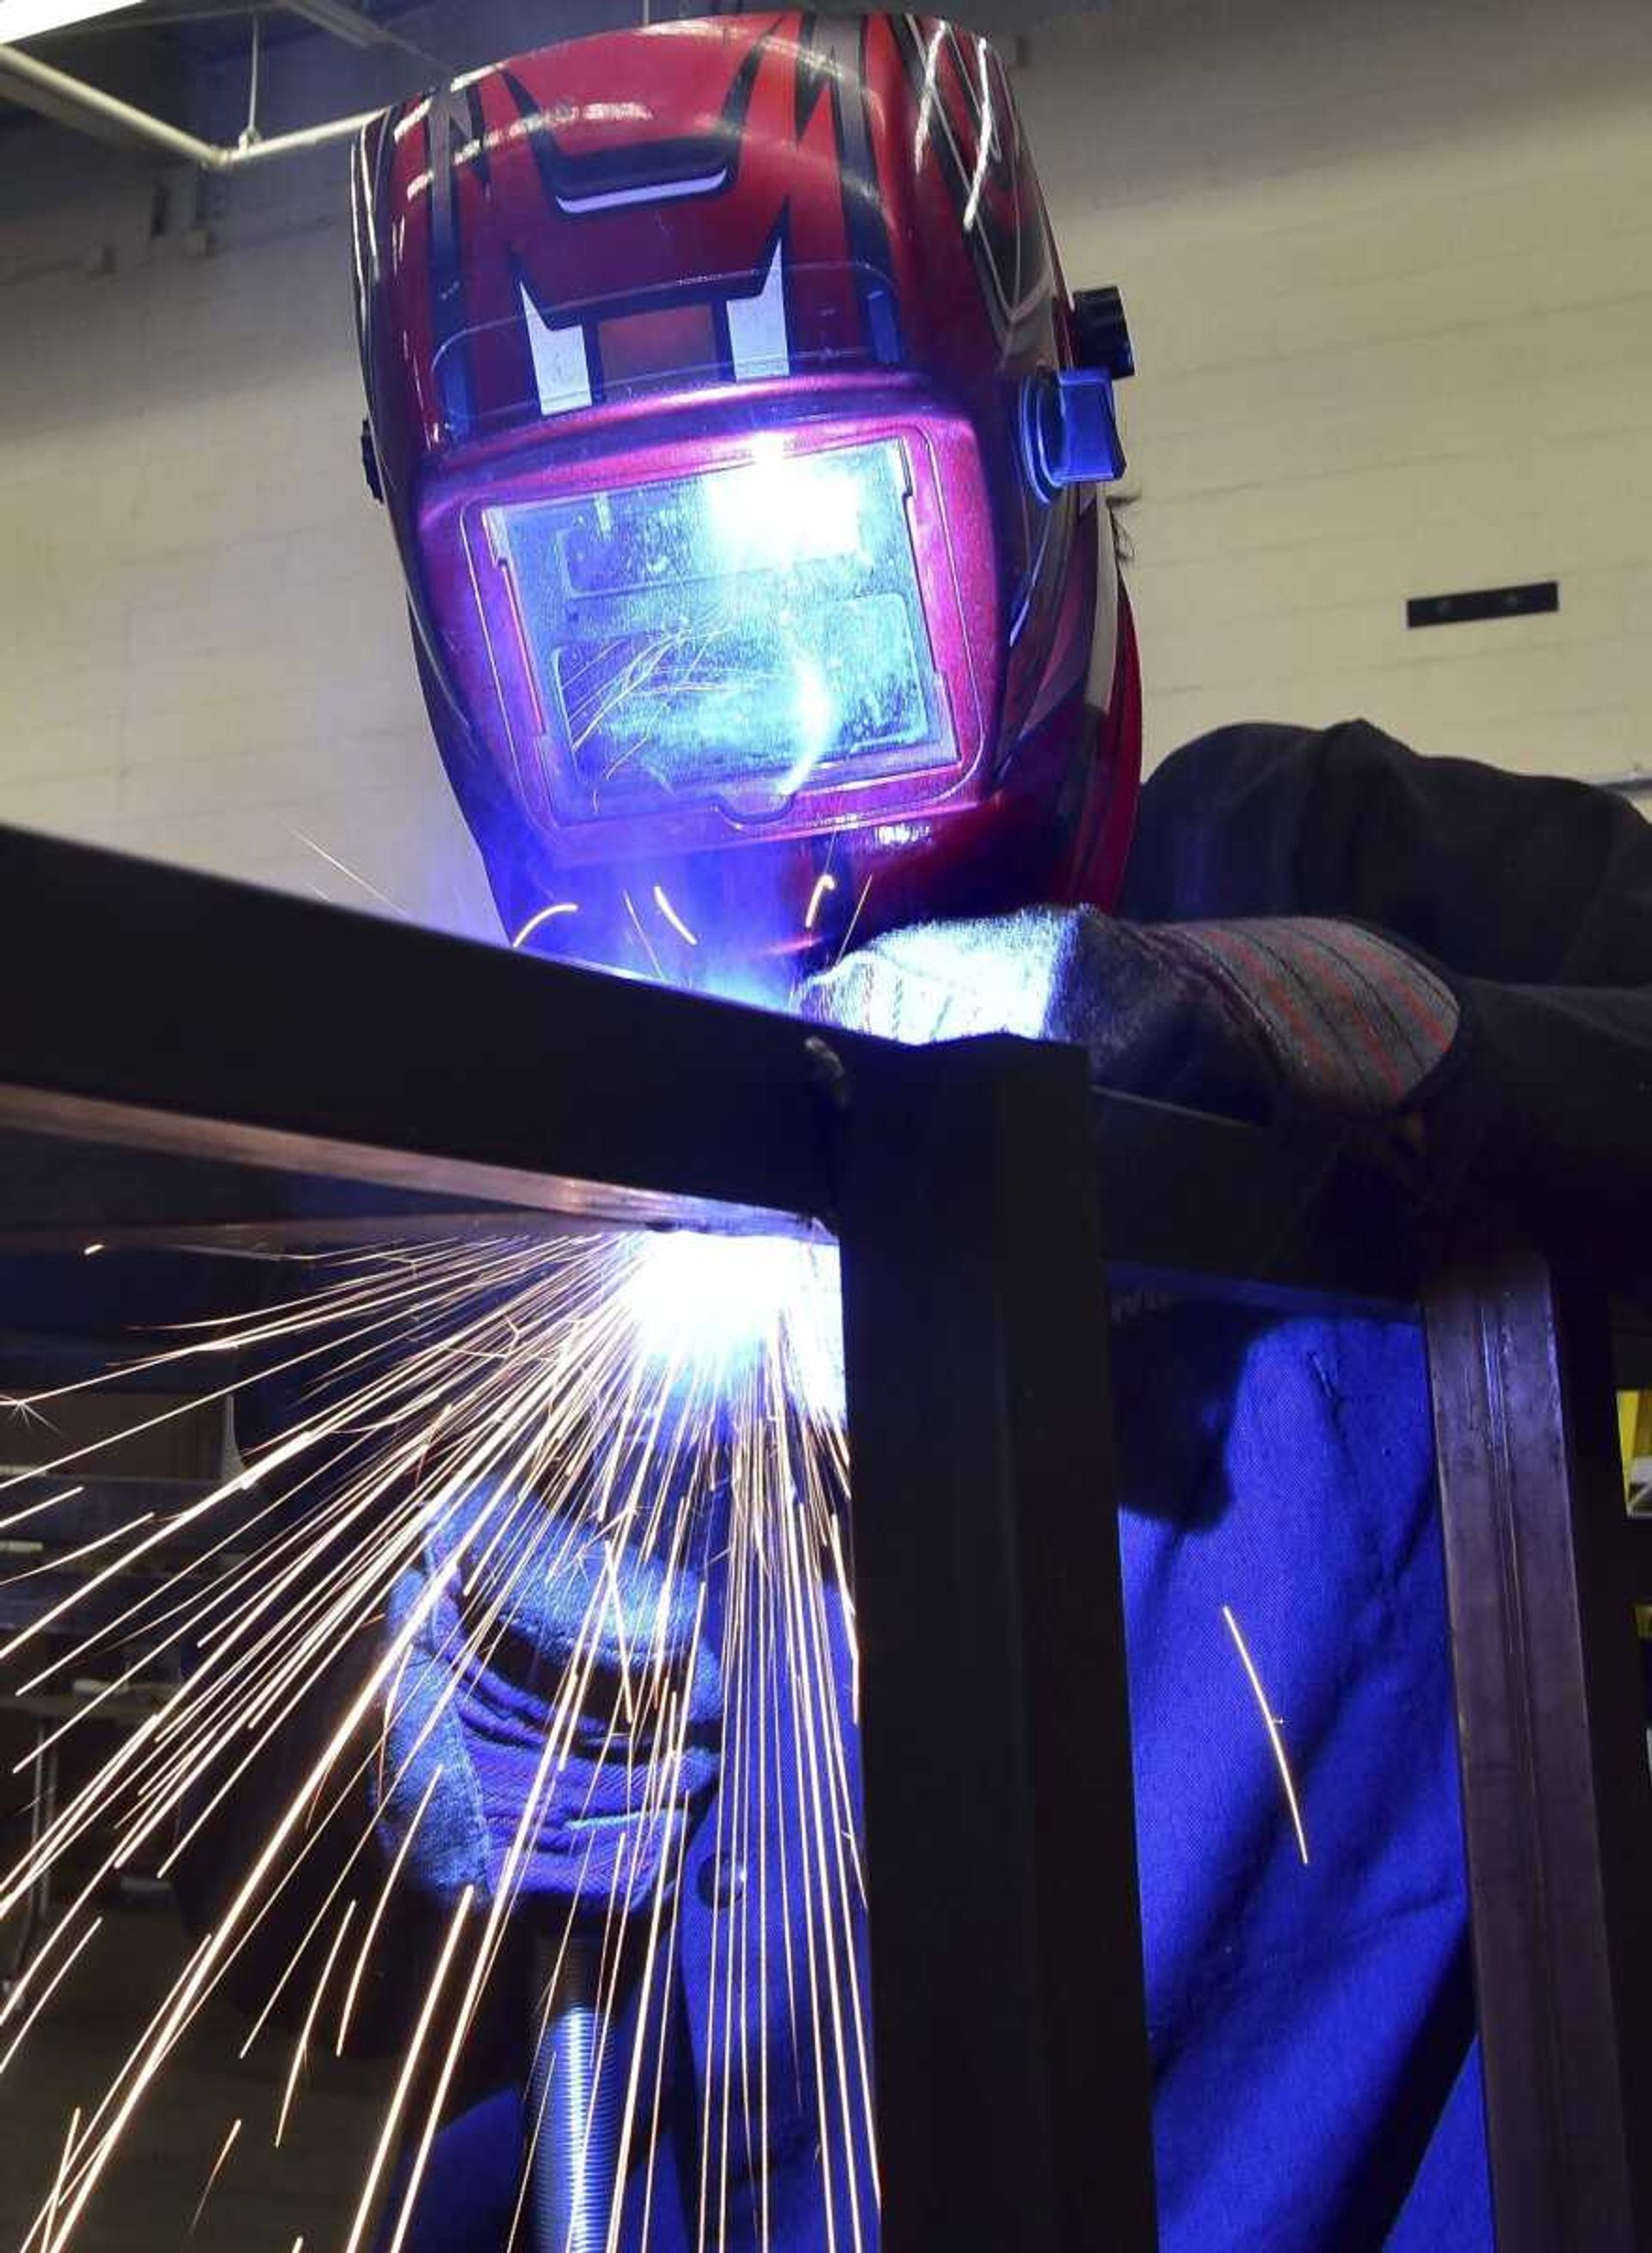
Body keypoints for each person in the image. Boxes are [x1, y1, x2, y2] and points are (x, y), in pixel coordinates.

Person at [348, 11, 1652, 2247]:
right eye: (616, 618)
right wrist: (495, 1695)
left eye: (814, 565)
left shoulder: (1312, 847)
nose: (745, 715)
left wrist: (1263, 1028)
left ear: (1042, 461)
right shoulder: (588, 1100)